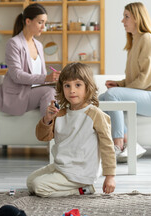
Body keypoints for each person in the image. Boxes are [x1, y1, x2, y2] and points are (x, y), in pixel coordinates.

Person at [27, 63, 116, 197]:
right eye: (67, 86)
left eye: (78, 85)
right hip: (61, 166)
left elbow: (107, 146)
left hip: (80, 172)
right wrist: (47, 119)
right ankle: (71, 186)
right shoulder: (60, 113)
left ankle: (82, 189)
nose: (72, 90)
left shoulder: (95, 114)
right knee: (30, 182)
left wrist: (110, 176)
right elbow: (42, 137)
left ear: (88, 87)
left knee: (38, 187)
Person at [99, 2, 151, 163]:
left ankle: (118, 143)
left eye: (126, 17)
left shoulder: (147, 39)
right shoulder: (134, 42)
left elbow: (148, 78)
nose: (122, 21)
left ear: (137, 18)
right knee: (102, 99)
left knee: (112, 96)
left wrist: (119, 91)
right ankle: (128, 142)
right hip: (147, 93)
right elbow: (136, 78)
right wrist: (120, 84)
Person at [0, 3, 60, 116]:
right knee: (48, 92)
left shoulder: (39, 45)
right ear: (28, 21)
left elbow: (42, 74)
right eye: (40, 22)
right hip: (17, 95)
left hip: (35, 91)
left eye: (45, 23)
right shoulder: (14, 43)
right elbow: (17, 75)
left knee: (65, 92)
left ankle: (59, 128)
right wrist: (46, 78)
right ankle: (48, 130)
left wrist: (56, 80)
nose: (43, 27)